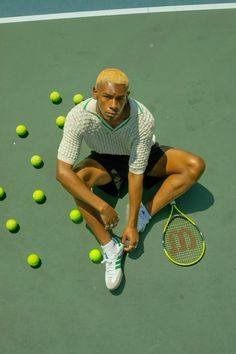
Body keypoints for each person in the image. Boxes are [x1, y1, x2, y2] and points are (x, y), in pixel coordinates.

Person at [56, 68, 205, 291]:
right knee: (77, 179)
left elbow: (136, 173)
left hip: (141, 157)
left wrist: (132, 224)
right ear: (95, 93)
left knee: (194, 166)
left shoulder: (142, 120)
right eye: (107, 97)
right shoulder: (78, 116)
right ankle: (109, 245)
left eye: (120, 98)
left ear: (127, 95)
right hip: (104, 162)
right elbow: (62, 172)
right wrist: (101, 206)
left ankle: (145, 214)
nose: (114, 105)